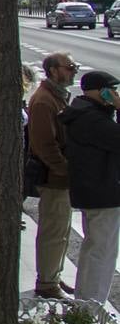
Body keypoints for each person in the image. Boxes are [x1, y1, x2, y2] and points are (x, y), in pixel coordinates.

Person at [62, 70, 120, 305]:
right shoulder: (91, 118)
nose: (114, 94)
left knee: (93, 247)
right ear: (96, 91)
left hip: (93, 189)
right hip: (102, 191)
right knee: (102, 251)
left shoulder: (83, 112)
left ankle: (86, 299)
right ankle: (92, 304)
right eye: (110, 90)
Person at [28, 52, 77, 299]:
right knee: (53, 231)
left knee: (61, 231)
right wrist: (65, 169)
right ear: (53, 70)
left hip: (60, 178)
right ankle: (47, 282)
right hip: (54, 178)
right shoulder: (44, 101)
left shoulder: (56, 97)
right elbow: (44, 145)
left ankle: (53, 276)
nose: (73, 71)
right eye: (69, 67)